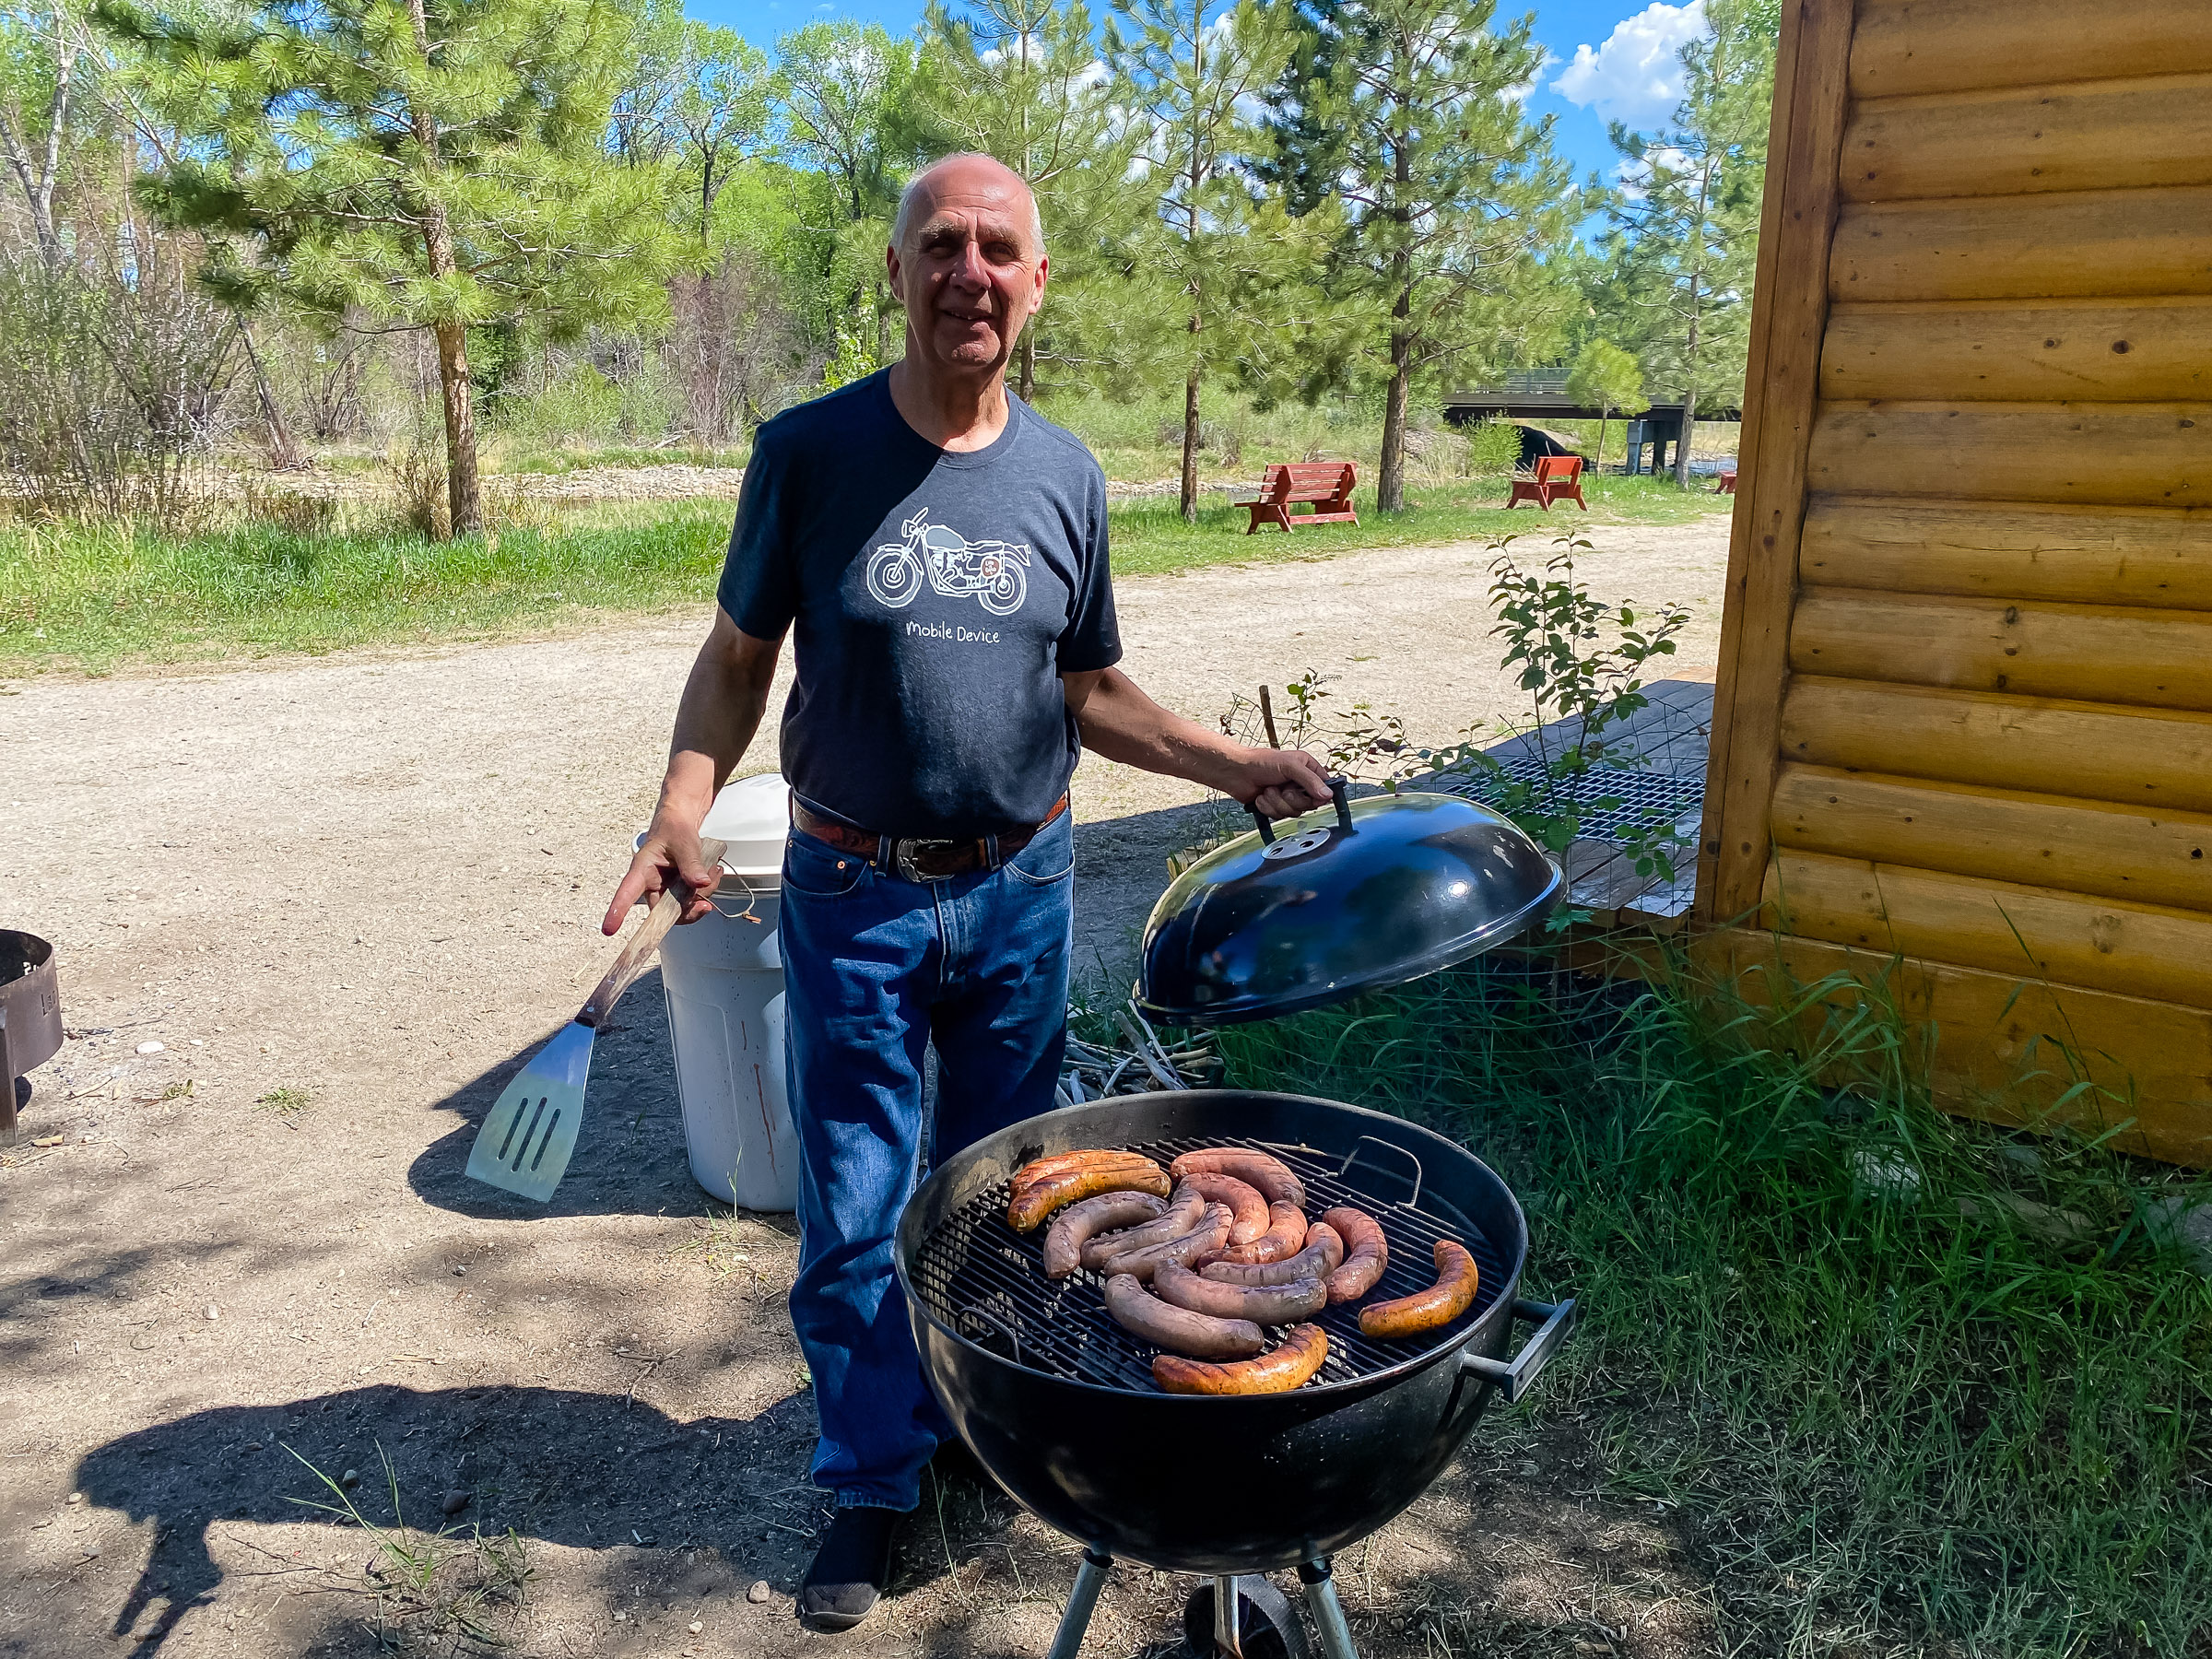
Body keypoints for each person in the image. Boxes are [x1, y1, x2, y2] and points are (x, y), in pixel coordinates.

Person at [606, 152, 1330, 1632]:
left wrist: (1231, 762)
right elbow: (739, 663)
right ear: (897, 271)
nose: (970, 272)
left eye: (1000, 248)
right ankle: (873, 1478)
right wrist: (680, 812)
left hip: (1022, 888)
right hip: (853, 892)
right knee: (860, 1204)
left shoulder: (1066, 474)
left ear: (1038, 280)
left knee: (1013, 1193)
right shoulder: (807, 452)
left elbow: (1094, 690)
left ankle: (996, 1428)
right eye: (942, 244)